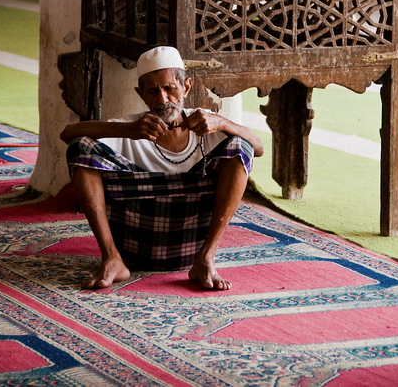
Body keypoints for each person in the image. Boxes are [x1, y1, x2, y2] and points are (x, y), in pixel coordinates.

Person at [60, 46, 263, 292]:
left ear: (186, 87)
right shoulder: (134, 127)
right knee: (80, 147)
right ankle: (112, 258)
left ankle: (207, 258)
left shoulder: (206, 122)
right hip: (135, 249)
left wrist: (223, 123)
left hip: (192, 247)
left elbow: (258, 148)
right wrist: (129, 131)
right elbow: (68, 134)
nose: (163, 100)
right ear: (141, 94)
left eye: (170, 89)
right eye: (153, 91)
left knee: (240, 145)